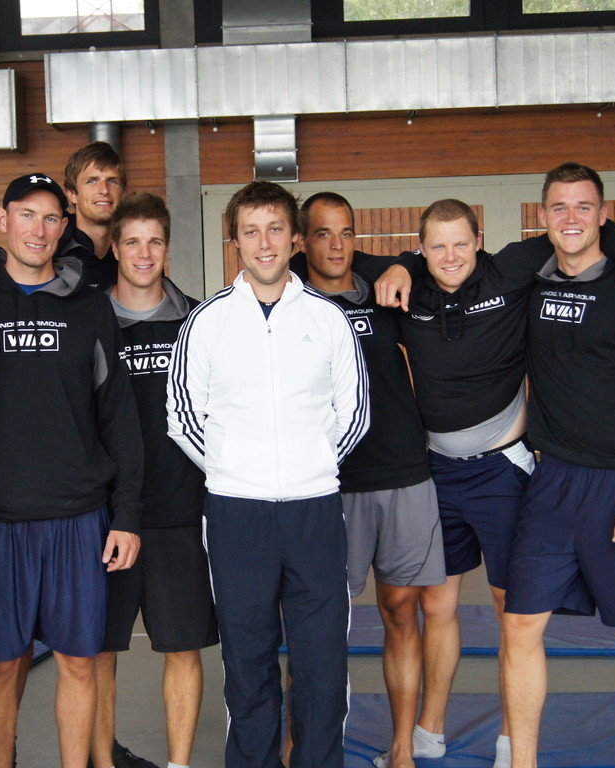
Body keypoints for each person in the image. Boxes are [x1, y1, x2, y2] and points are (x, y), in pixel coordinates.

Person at [375, 199, 615, 768]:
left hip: (502, 470)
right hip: (436, 471)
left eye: (461, 243)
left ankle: (513, 740)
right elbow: (355, 265)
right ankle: (429, 730)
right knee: (437, 603)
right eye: (437, 246)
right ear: (421, 247)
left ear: (479, 241)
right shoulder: (409, 290)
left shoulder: (510, 269)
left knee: (514, 605)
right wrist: (402, 265)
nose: (451, 256)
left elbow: (585, 229)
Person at [166, 180, 370, 768]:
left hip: (314, 510)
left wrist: (312, 465)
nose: (264, 243)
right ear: (235, 241)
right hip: (237, 513)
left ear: (295, 238)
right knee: (247, 661)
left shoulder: (329, 320)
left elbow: (354, 413)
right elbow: (183, 416)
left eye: (275, 229)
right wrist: (235, 469)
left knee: (322, 664)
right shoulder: (206, 321)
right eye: (251, 231)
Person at [0, 173, 144, 768]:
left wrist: (127, 515)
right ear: (2, 219)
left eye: (52, 217)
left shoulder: (90, 308)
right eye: (26, 214)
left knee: (80, 662)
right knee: (0, 667)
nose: (39, 229)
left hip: (78, 517)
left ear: (65, 227)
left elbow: (119, 418)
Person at [500, 162, 615, 768]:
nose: (571, 218)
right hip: (552, 480)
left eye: (584, 207)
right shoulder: (531, 279)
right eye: (559, 207)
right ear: (542, 216)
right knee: (520, 625)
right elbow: (457, 263)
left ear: (604, 215)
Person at [293, 192, 444, 768]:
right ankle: (303, 749)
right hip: (329, 483)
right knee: (317, 624)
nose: (337, 245)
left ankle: (402, 749)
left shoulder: (382, 288)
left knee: (402, 612)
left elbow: (431, 260)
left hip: (403, 471)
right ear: (303, 240)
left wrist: (402, 262)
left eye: (347, 232)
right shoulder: (290, 303)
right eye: (323, 233)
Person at [92, 192, 219, 768]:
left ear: (168, 248)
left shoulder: (198, 320)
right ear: (116, 248)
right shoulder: (89, 321)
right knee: (98, 652)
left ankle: (179, 764)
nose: (144, 254)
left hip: (179, 512)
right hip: (106, 516)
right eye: (133, 242)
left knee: (183, 647)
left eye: (155, 242)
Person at [60, 141, 127, 289]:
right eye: (92, 181)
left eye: (112, 181)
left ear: (122, 194)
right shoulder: (52, 252)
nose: (104, 190)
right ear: (72, 195)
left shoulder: (136, 252)